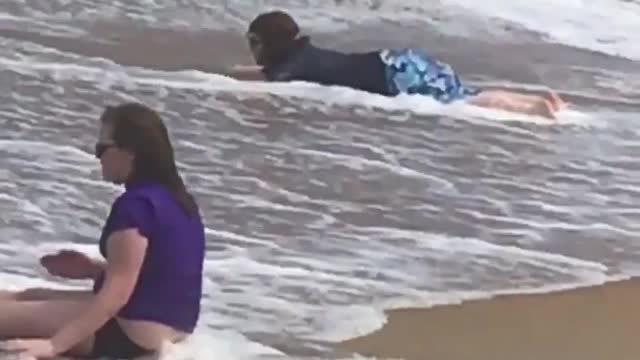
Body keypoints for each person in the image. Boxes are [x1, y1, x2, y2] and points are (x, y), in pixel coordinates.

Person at [0, 103, 206, 359]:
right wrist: (93, 269)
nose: (97, 156)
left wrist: (54, 345)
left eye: (102, 148)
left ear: (130, 152)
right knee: (27, 296)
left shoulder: (136, 206)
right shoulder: (180, 202)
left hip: (128, 334)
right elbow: (163, 273)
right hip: (170, 328)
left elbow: (117, 293)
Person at [223, 10, 566, 119]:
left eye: (252, 43)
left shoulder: (290, 67)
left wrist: (228, 76)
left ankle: (535, 107)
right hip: (400, 62)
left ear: (262, 43)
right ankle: (535, 102)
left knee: (463, 100)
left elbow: (264, 80)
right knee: (464, 92)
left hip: (392, 74)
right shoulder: (304, 54)